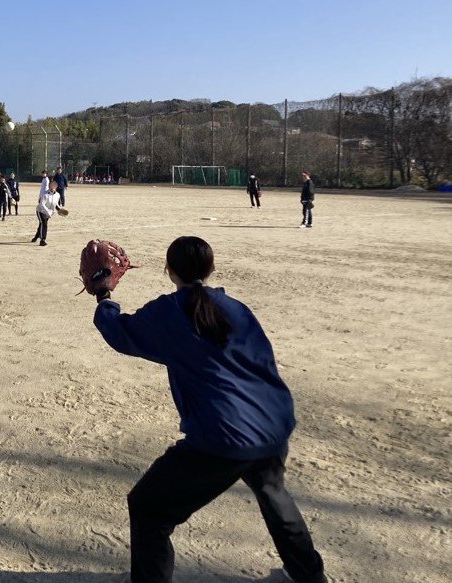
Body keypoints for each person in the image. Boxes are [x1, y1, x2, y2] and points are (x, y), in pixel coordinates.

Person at [90, 235, 328, 583]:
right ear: (211, 268)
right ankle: (309, 576)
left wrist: (104, 295)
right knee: (273, 492)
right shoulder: (236, 308)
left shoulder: (170, 311)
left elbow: (120, 332)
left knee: (148, 507)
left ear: (169, 270)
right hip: (272, 423)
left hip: (223, 436)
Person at [31, 180, 62, 247]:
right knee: (44, 224)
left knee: (42, 224)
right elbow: (42, 204)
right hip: (41, 211)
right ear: (49, 186)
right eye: (52, 185)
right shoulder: (45, 194)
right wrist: (48, 212)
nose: (53, 187)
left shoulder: (57, 195)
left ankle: (36, 236)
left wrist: (59, 209)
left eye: (54, 185)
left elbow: (56, 204)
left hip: (49, 213)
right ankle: (42, 240)